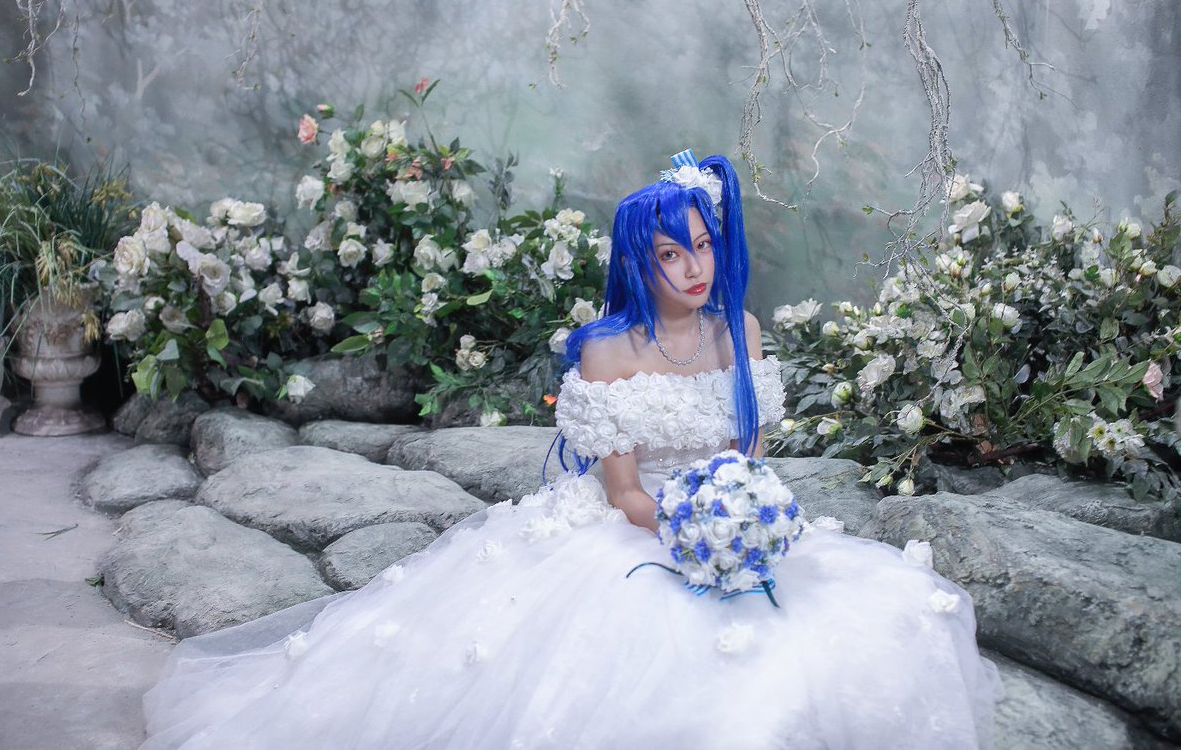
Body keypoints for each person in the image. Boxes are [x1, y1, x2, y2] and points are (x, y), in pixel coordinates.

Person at [140, 150, 1002, 749]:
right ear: (640, 262)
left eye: (703, 245)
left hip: (729, 516)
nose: (694, 267)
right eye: (672, 253)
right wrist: (693, 532)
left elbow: (753, 459)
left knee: (871, 626)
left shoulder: (739, 329)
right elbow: (624, 494)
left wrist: (746, 520)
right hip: (636, 525)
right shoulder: (608, 351)